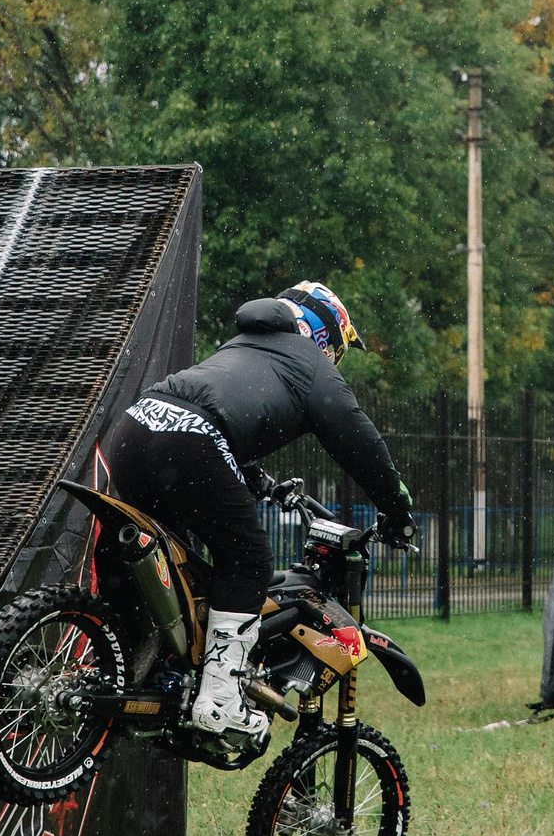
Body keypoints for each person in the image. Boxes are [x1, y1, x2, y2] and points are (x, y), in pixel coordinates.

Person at [104, 281, 413, 739]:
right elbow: (360, 443)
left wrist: (256, 480)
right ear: (324, 334)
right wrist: (397, 508)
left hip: (136, 427)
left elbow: (220, 407)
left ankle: (117, 664)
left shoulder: (244, 342)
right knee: (247, 563)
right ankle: (220, 700)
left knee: (163, 564)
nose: (336, 361)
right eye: (339, 349)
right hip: (191, 441)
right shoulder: (310, 363)